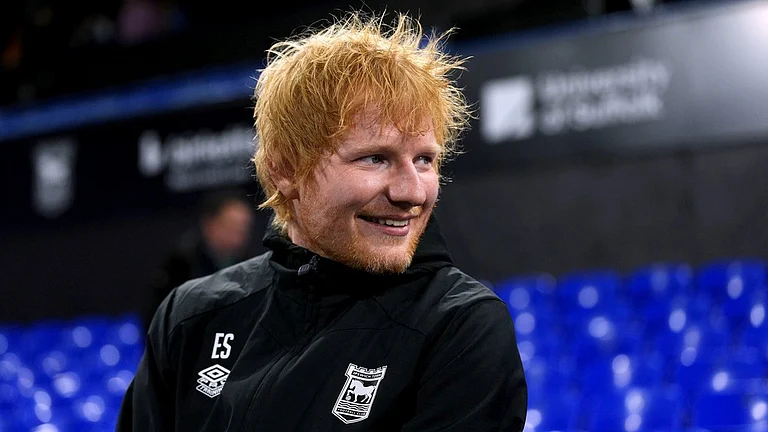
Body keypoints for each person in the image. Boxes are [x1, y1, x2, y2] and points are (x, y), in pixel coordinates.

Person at [119, 12, 527, 431]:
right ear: (287, 170)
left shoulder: (462, 328)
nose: (413, 192)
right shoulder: (190, 316)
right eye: (376, 158)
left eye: (425, 159)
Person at [142, 190, 254, 329]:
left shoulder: (254, 266)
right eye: (232, 227)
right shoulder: (179, 266)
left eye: (244, 228)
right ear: (209, 225)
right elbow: (157, 322)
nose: (239, 235)